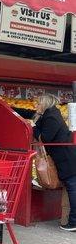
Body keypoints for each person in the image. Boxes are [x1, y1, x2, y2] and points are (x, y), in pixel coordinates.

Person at [33, 94, 76, 231]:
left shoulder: (51, 117)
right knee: (72, 187)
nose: (36, 106)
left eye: (38, 103)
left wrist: (33, 127)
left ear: (44, 104)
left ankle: (74, 222)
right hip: (66, 156)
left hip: (66, 158)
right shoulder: (51, 114)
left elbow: (45, 138)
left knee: (72, 188)